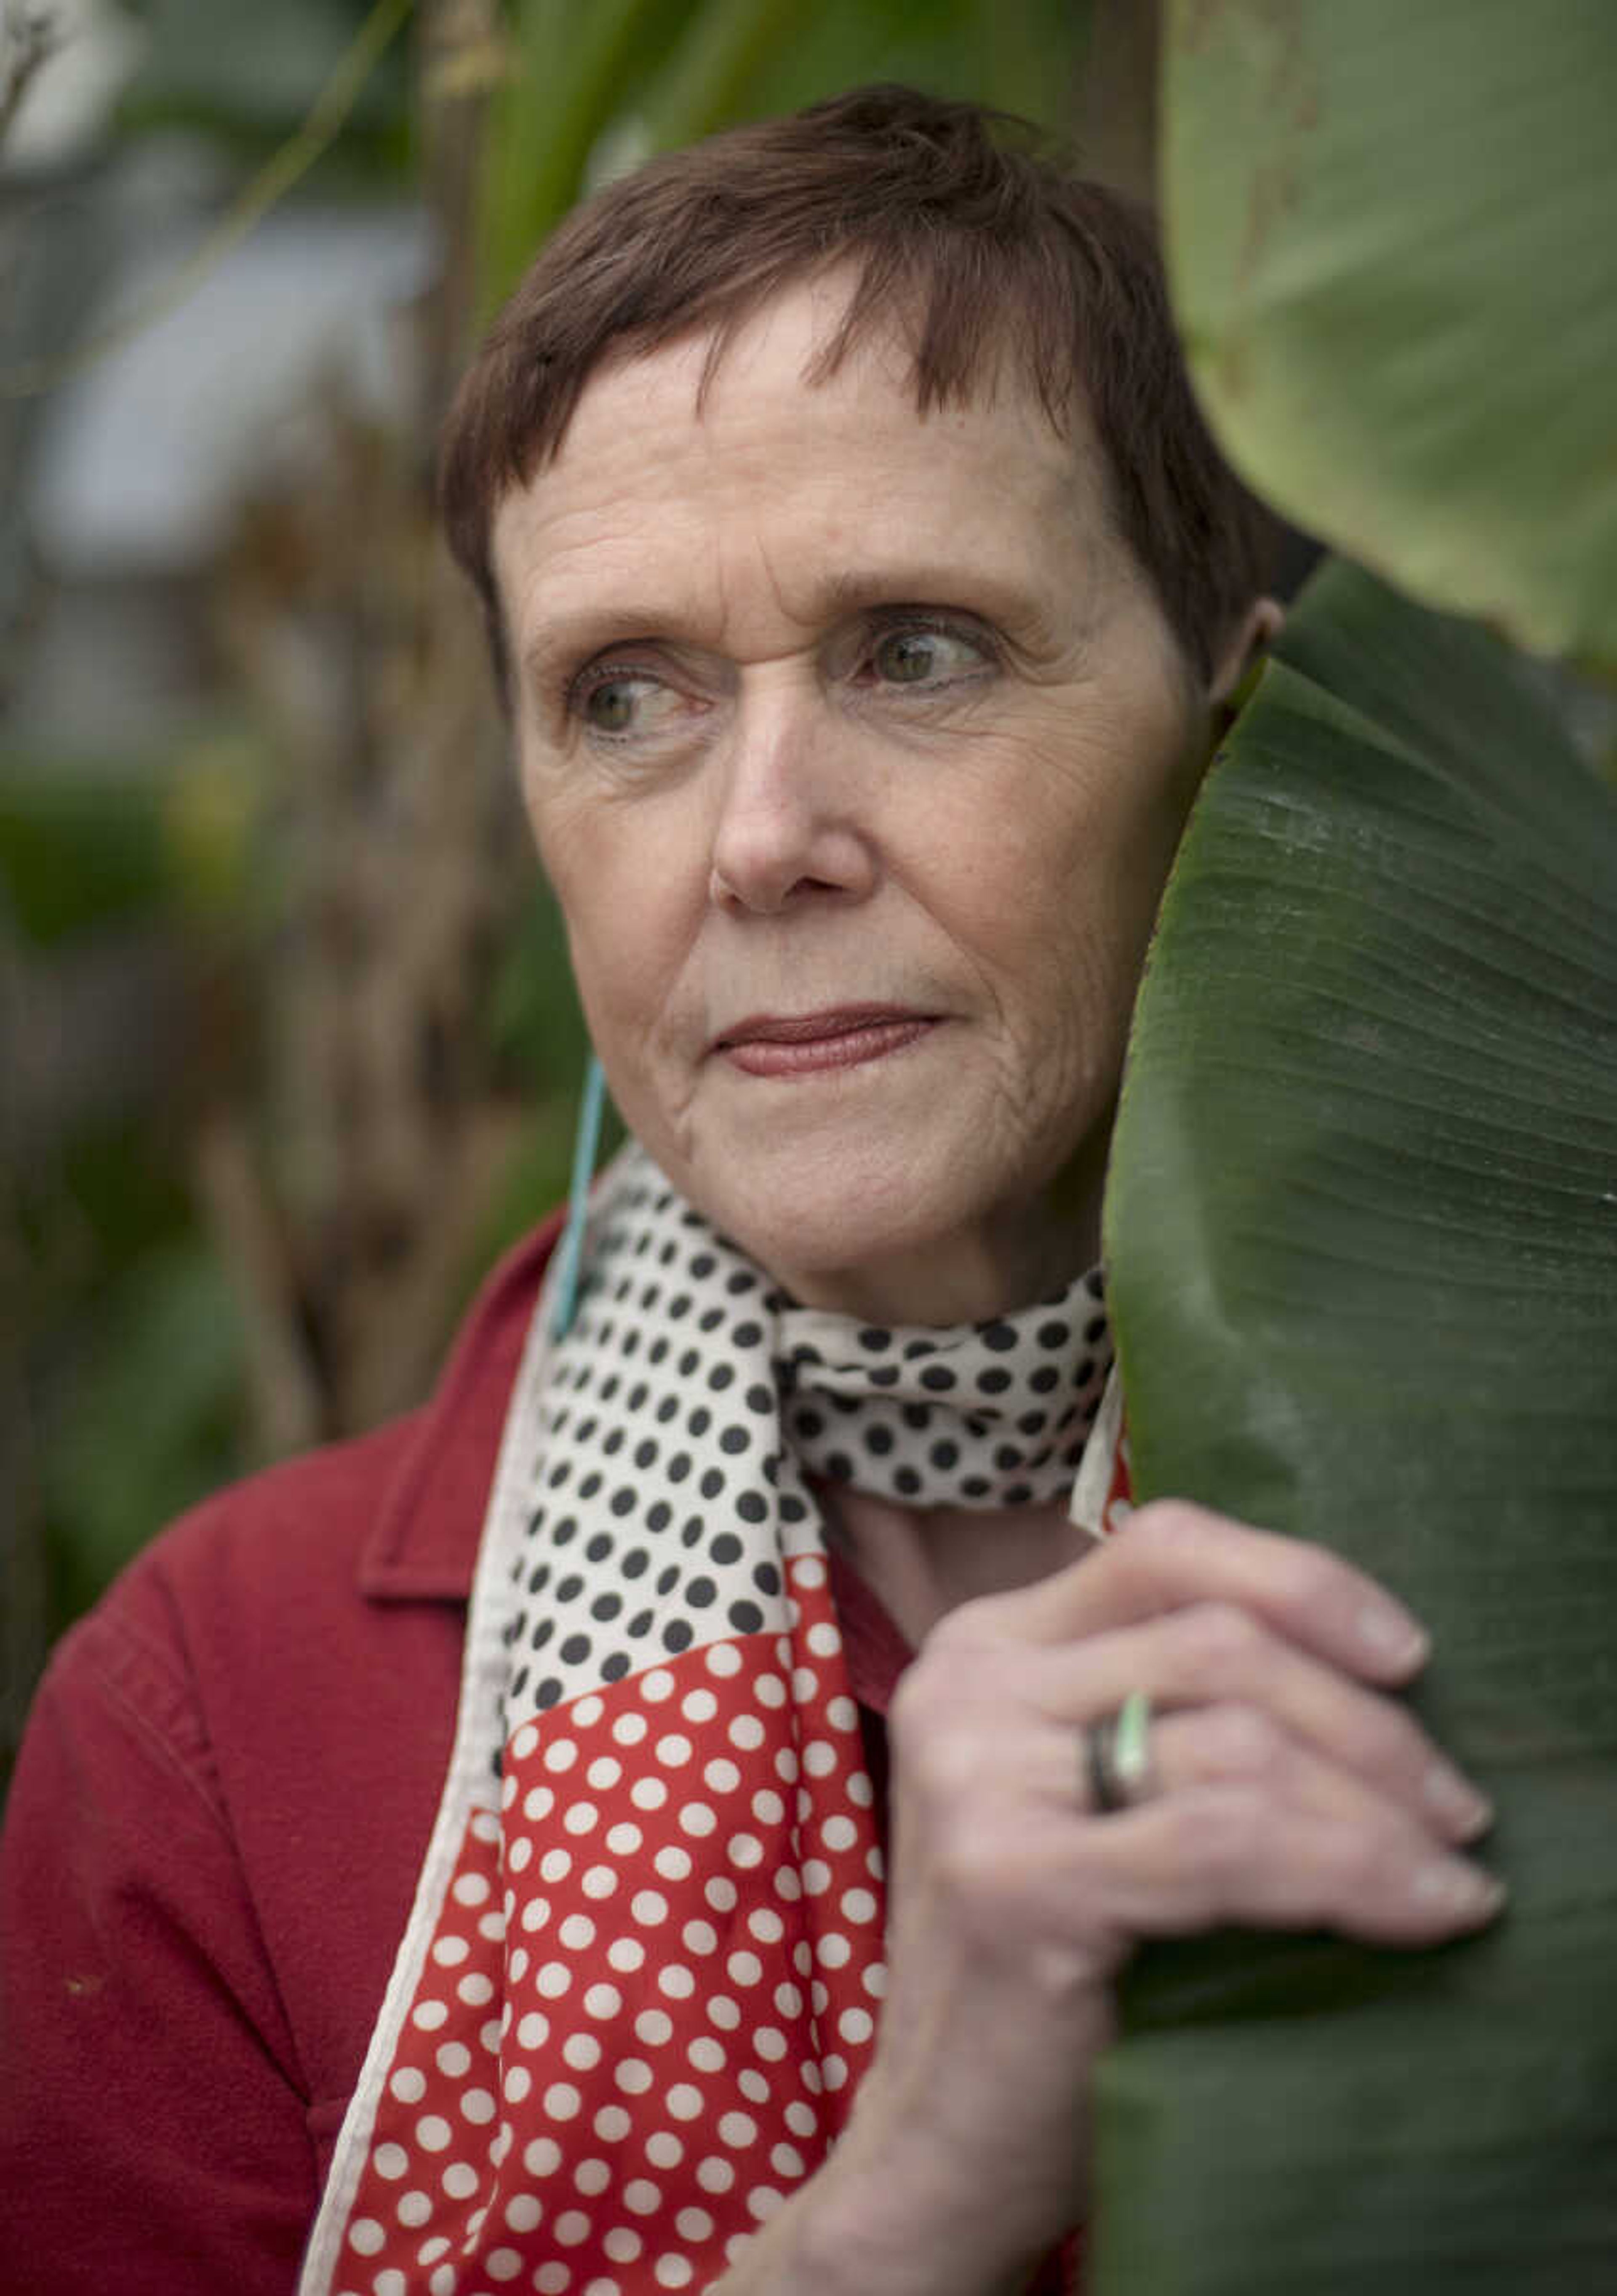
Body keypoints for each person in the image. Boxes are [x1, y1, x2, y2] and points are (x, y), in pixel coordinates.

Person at [0, 84, 1503, 2296]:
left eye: (918, 650)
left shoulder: (1537, 1523)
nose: (756, 836)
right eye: (627, 696)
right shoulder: (224, 1717)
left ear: (1231, 726)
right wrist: (907, 2207)